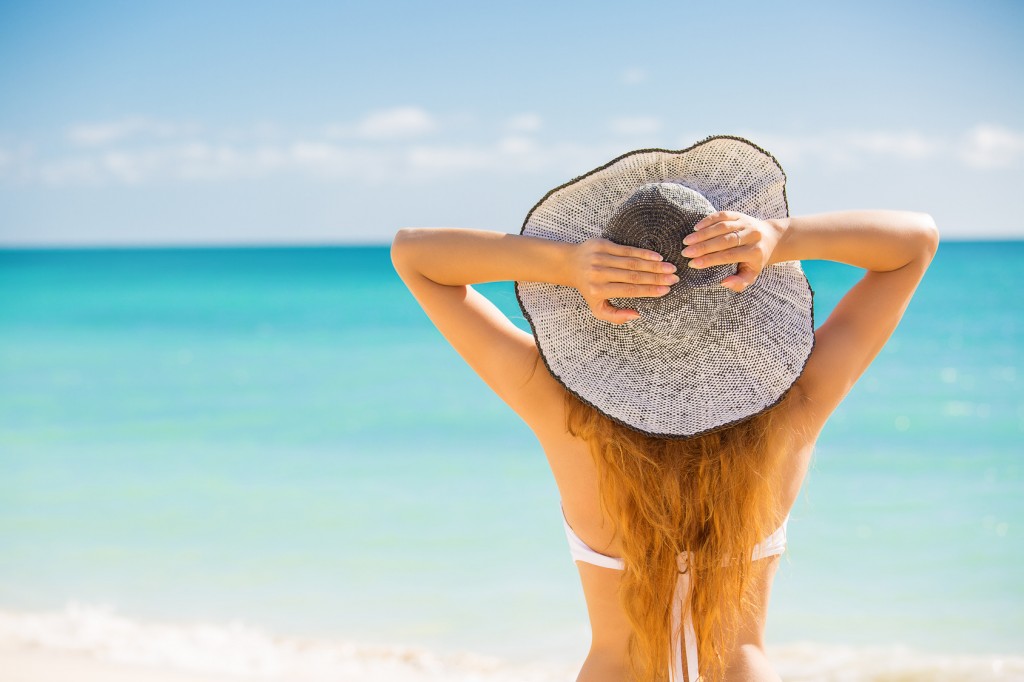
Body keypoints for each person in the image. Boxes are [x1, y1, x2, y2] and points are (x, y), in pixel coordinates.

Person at [390, 136, 938, 682]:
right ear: (746, 297)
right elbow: (914, 244)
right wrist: (781, 235)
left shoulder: (562, 409)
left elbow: (415, 256)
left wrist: (565, 262)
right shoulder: (794, 404)